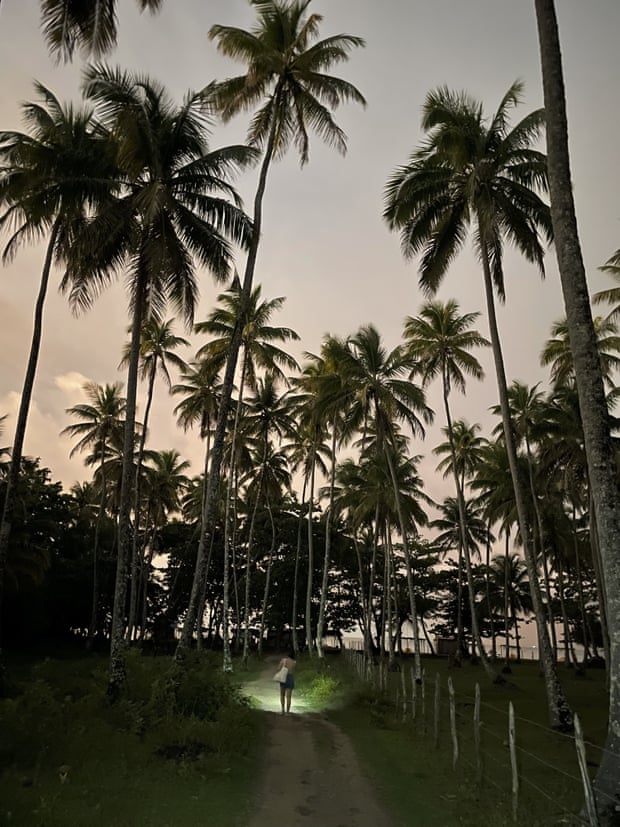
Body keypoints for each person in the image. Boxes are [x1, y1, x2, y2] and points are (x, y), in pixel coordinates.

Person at [278, 649, 296, 715]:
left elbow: (278, 668)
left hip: (283, 677)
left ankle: (282, 710)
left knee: (282, 695)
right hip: (290, 678)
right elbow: (293, 670)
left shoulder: (283, 660)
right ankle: (288, 712)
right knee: (289, 697)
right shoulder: (294, 662)